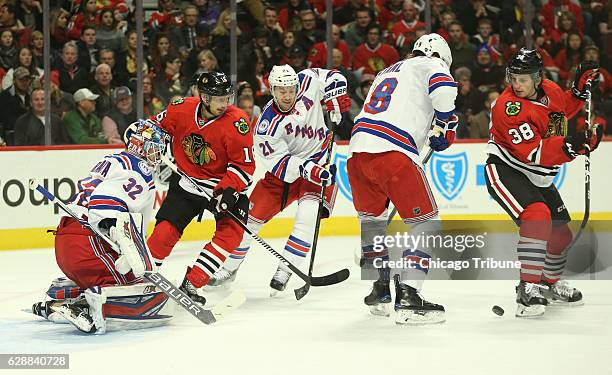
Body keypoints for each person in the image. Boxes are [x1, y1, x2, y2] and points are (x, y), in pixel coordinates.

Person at [208, 64, 351, 295]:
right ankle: (230, 267)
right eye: (281, 90)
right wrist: (308, 169)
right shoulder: (266, 125)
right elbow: (280, 164)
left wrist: (336, 95)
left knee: (307, 218)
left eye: (291, 89)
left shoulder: (308, 81)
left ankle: (285, 269)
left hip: (319, 166)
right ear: (272, 90)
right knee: (247, 222)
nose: (287, 95)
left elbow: (334, 75)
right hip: (283, 176)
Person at [348, 33, 458, 325]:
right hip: (392, 153)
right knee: (426, 221)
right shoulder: (430, 65)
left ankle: (380, 286)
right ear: (441, 57)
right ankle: (409, 293)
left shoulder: (389, 69)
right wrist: (445, 123)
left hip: (358, 152)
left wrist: (437, 127)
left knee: (372, 220)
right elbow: (445, 89)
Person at [485, 48, 602, 317]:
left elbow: (560, 112)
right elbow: (534, 152)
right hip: (507, 168)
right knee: (537, 216)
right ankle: (527, 290)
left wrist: (577, 92)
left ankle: (547, 285)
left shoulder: (549, 89)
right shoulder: (508, 107)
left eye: (523, 79)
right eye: (513, 78)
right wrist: (573, 146)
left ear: (538, 78)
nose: (517, 84)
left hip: (537, 174)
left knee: (561, 236)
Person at [30, 120, 173, 334]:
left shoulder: (115, 160)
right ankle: (85, 308)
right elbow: (106, 199)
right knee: (151, 294)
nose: (158, 154)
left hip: (68, 240)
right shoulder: (139, 170)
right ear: (140, 145)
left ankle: (58, 300)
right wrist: (116, 229)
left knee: (116, 279)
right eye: (155, 147)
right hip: (89, 240)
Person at [146, 71, 255, 305]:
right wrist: (145, 135)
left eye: (228, 98)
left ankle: (193, 282)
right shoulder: (180, 108)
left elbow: (244, 166)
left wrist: (227, 192)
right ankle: (143, 278)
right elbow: (156, 127)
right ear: (204, 97)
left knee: (231, 234)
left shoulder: (237, 122)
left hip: (221, 186)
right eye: (219, 99)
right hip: (187, 182)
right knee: (165, 232)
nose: (225, 104)